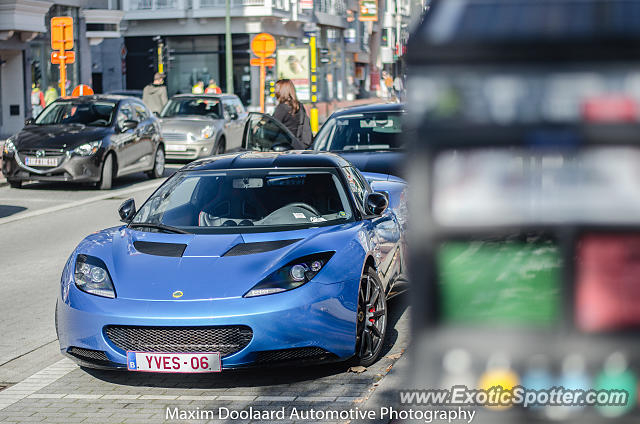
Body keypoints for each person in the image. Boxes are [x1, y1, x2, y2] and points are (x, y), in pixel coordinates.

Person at [272, 79, 313, 149]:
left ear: (281, 91)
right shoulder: (299, 106)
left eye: (276, 89)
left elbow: (272, 129)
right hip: (299, 146)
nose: (275, 91)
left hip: (285, 148)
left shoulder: (282, 108)